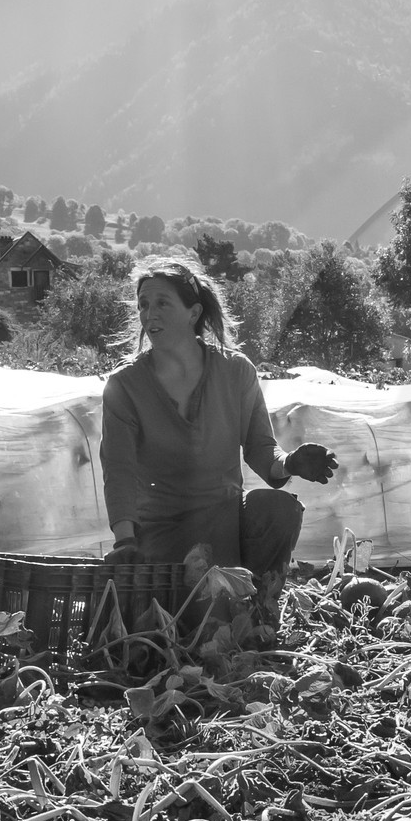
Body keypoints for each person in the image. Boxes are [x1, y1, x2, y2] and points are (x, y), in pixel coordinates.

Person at [99, 256, 338, 601]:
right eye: (144, 305)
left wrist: (290, 463)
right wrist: (125, 542)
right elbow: (118, 471)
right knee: (183, 617)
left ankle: (258, 608)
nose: (149, 314)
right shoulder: (125, 387)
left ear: (193, 313)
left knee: (277, 509)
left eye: (163, 303)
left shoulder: (235, 372)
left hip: (226, 525)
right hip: (164, 535)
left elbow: (261, 448)